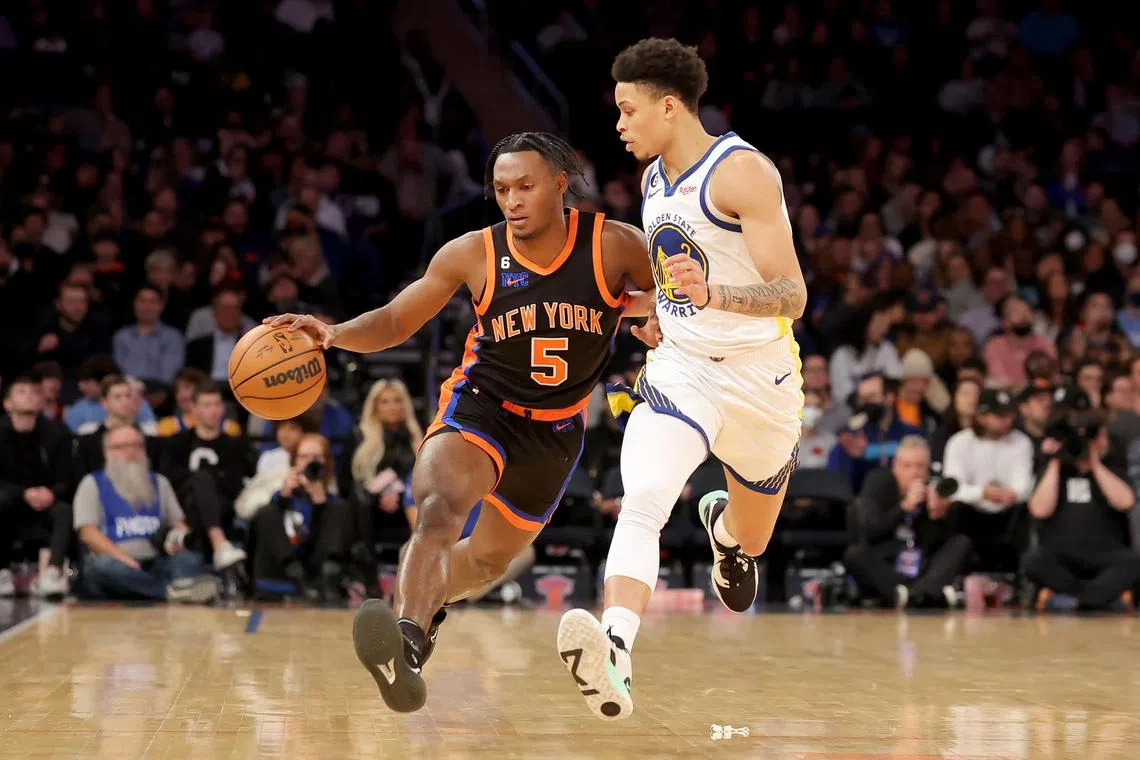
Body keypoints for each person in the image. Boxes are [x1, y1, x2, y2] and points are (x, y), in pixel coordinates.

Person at [267, 131, 655, 713]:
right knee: (438, 510)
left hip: (555, 430)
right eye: (501, 189)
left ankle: (426, 605)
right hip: (481, 406)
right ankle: (408, 642)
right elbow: (397, 320)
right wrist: (334, 333)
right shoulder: (472, 252)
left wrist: (653, 318)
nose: (512, 200)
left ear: (559, 184)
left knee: (489, 560)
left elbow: (672, 300)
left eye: (525, 186)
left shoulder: (616, 245)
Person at [559, 38, 807, 722]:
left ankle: (727, 534)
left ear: (669, 106)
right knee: (644, 498)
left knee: (754, 537)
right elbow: (678, 279)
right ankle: (615, 651)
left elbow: (792, 294)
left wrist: (713, 296)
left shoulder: (742, 172)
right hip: (683, 370)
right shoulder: (652, 182)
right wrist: (656, 313)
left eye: (628, 110)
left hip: (760, 379)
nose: (619, 124)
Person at [73, 425, 217, 603]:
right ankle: (170, 591)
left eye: (137, 445)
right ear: (107, 453)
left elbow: (178, 524)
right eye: (122, 447)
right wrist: (122, 558)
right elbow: (88, 533)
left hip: (156, 561)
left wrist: (180, 540)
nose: (131, 452)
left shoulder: (160, 483)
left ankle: (160, 589)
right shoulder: (92, 483)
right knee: (101, 567)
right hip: (117, 561)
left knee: (190, 559)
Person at [1026, 420, 1140, 611]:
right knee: (1033, 561)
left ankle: (1073, 600)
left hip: (1107, 555)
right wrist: (1056, 461)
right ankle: (1099, 599)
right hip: (1061, 556)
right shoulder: (1053, 472)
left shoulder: (1114, 468)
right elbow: (1039, 510)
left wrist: (1094, 463)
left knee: (1134, 563)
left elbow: (1125, 502)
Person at [844, 437, 970, 608]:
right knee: (855, 554)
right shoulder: (879, 481)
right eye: (907, 466)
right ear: (895, 467)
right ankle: (921, 594)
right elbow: (869, 531)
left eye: (920, 466)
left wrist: (936, 515)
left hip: (921, 564)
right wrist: (904, 507)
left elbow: (934, 545)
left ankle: (913, 594)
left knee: (961, 542)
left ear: (928, 469)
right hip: (887, 562)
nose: (915, 473)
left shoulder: (935, 488)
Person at [249, 433, 352, 601]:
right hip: (284, 568)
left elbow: (319, 541)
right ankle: (298, 579)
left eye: (316, 457)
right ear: (294, 462)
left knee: (339, 508)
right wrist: (284, 496)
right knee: (267, 511)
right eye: (304, 457)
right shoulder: (282, 498)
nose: (310, 462)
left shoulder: (334, 504)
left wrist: (320, 504)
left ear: (326, 463)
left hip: (316, 568)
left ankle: (327, 581)